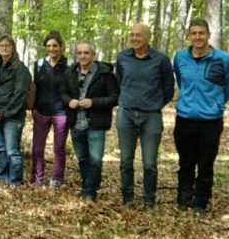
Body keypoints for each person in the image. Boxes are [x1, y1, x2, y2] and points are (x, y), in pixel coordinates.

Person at [171, 19, 229, 215]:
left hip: (210, 120)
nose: (198, 37)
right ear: (189, 35)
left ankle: (201, 201)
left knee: (205, 162)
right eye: (194, 33)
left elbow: (226, 87)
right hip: (185, 117)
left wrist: (218, 105)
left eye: (201, 33)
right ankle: (184, 196)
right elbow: (180, 80)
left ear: (208, 35)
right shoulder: (180, 58)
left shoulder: (223, 59)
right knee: (185, 160)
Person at [114, 23, 174, 209]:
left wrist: (155, 104)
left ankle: (149, 200)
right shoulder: (123, 57)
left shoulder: (161, 60)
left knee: (149, 162)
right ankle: (128, 198)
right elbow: (119, 83)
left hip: (151, 116)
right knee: (125, 160)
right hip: (126, 114)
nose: (134, 38)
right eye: (131, 35)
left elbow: (168, 88)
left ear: (148, 38)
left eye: (138, 35)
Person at [65, 40, 119, 201]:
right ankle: (88, 184)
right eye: (79, 53)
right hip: (76, 122)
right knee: (82, 158)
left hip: (96, 122)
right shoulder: (70, 72)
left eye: (86, 53)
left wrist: (93, 102)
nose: (82, 56)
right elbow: (62, 93)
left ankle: (89, 192)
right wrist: (69, 101)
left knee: (95, 159)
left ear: (93, 55)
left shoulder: (105, 73)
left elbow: (115, 97)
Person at [0, 35, 32, 187]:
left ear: (13, 48)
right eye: (1, 45)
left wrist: (1, 114)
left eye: (7, 45)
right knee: (0, 149)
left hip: (12, 117)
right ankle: (2, 177)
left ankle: (15, 181)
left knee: (12, 151)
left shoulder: (20, 68)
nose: (4, 48)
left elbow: (19, 95)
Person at [30, 32, 75, 188]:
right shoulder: (39, 64)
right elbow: (35, 87)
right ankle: (37, 179)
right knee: (37, 148)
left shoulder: (69, 65)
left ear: (61, 46)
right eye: (48, 46)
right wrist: (33, 108)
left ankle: (56, 180)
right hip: (41, 111)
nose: (52, 49)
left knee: (59, 148)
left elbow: (73, 88)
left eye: (55, 45)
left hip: (61, 112)